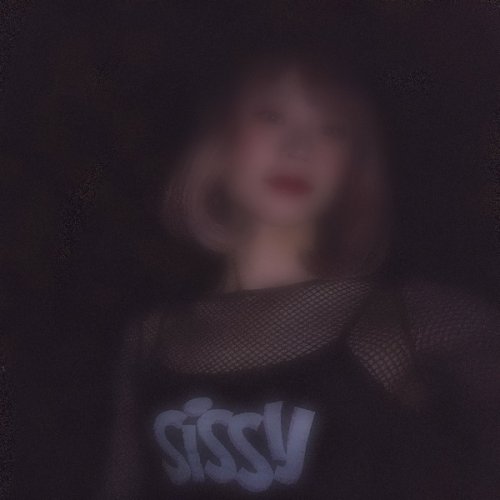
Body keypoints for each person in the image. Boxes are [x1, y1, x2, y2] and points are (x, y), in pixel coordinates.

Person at [98, 45, 500, 499]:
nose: (298, 147)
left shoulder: (402, 323)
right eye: (272, 116)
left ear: (352, 167)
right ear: (220, 142)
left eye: (332, 130)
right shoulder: (151, 341)